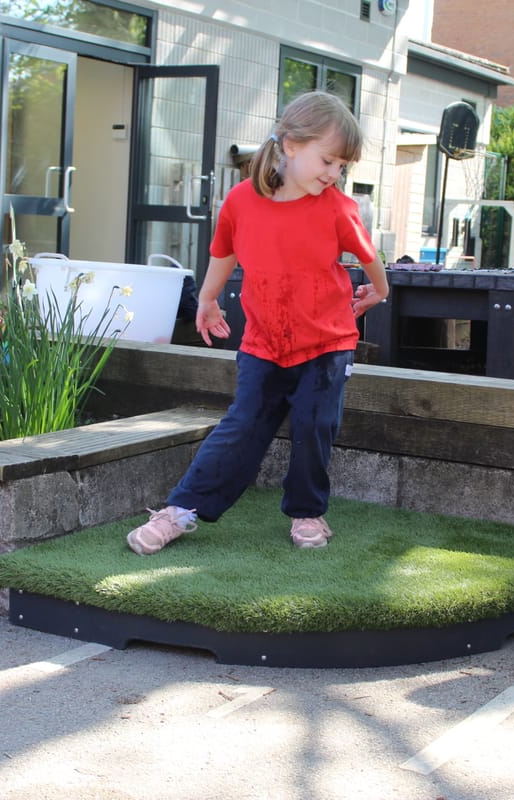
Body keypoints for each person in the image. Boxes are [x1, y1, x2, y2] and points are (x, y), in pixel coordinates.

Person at [125, 91, 390, 555]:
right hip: (264, 344)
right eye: (328, 161)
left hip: (326, 346)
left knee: (313, 427)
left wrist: (380, 290)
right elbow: (223, 251)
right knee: (242, 427)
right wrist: (207, 299)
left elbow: (368, 256)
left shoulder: (336, 207)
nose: (334, 174)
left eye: (342, 167)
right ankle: (181, 510)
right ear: (290, 145)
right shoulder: (242, 200)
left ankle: (307, 512)